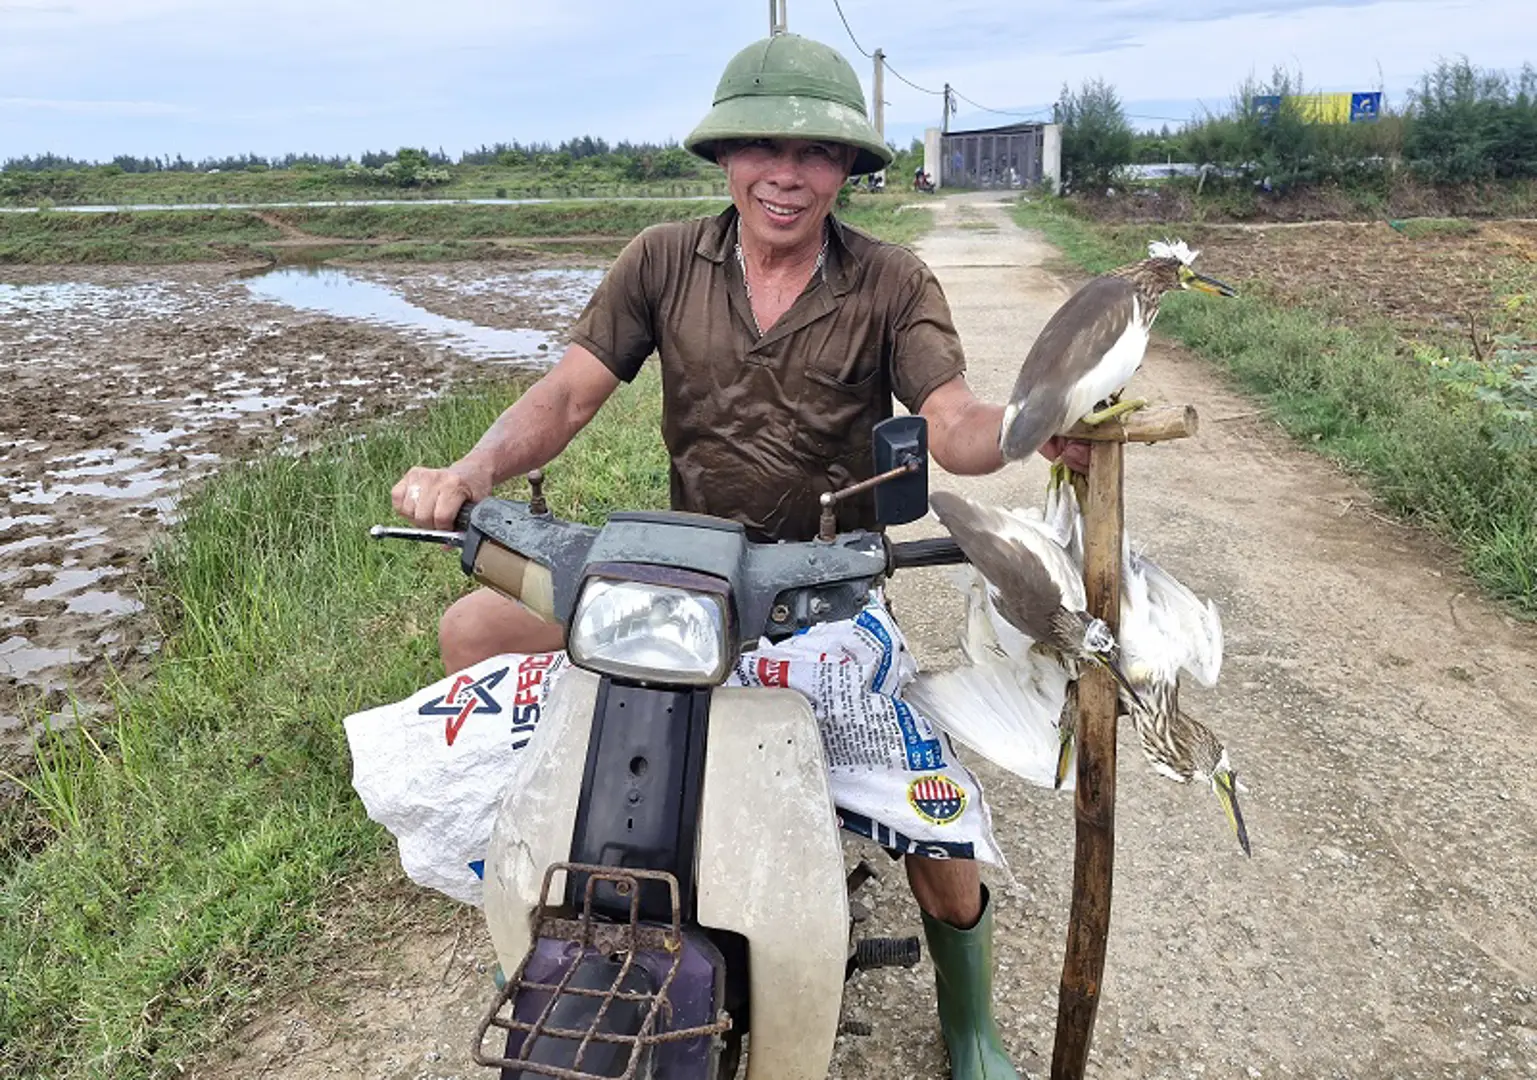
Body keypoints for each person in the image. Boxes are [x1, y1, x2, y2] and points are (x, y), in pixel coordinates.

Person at [393, 32, 1083, 1080]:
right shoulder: (664, 258)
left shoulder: (891, 281)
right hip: (680, 578)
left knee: (932, 821)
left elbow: (952, 419)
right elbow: (570, 393)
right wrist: (470, 471)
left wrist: (1035, 425)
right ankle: (525, 889)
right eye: (762, 147)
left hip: (820, 589)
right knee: (474, 631)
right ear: (724, 156)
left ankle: (971, 1021)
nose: (786, 174)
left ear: (847, 168)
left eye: (815, 153)